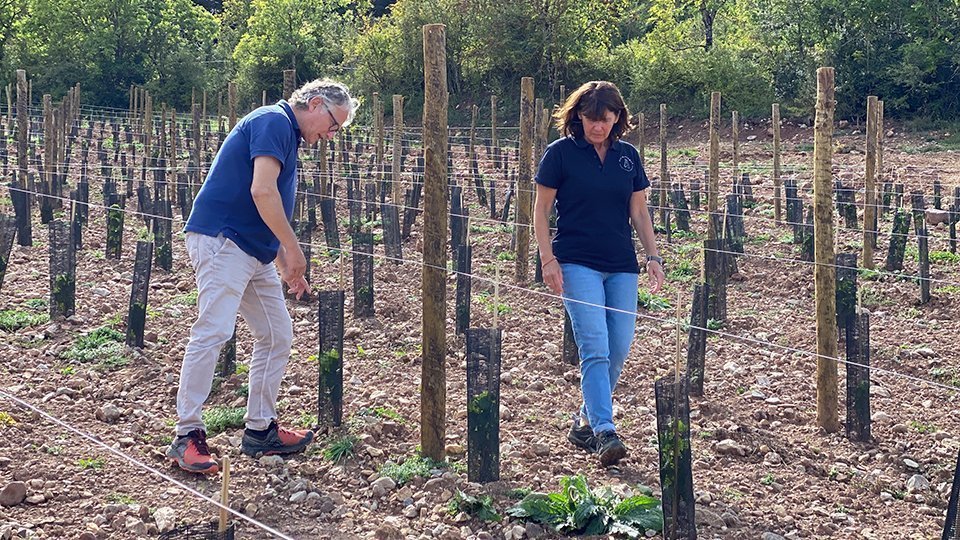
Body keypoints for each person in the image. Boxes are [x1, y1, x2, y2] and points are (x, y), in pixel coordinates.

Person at [166, 79, 359, 474]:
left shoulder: (287, 135)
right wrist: (292, 248)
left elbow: (265, 205)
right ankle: (187, 435)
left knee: (276, 335)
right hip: (224, 240)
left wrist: (285, 266)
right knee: (214, 331)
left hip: (252, 250)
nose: (331, 135)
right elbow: (262, 192)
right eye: (333, 124)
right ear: (316, 103)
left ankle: (259, 430)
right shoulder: (274, 121)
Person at [534, 81, 665, 467]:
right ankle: (604, 431)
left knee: (619, 348)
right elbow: (540, 211)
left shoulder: (628, 157)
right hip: (576, 261)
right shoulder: (559, 154)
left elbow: (639, 212)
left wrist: (653, 256)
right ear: (577, 116)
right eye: (590, 119)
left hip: (621, 264)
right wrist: (547, 259)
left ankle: (583, 421)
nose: (597, 127)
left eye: (605, 120)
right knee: (594, 346)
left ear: (617, 118)